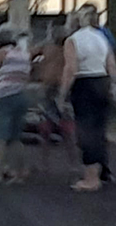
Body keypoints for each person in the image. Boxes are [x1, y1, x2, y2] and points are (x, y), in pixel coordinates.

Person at [59, 2, 116, 192]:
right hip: (102, 82)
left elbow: (71, 69)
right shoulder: (102, 38)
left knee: (85, 131)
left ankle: (90, 178)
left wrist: (62, 94)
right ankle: (101, 172)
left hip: (84, 85)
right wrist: (114, 85)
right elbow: (111, 64)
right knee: (99, 130)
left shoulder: (72, 40)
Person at [0, 26, 32, 184]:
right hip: (22, 95)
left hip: (6, 97)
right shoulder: (24, 54)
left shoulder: (3, 53)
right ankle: (20, 173)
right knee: (16, 138)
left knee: (0, 137)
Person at [32, 27, 79, 174]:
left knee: (67, 129)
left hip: (62, 90)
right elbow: (30, 54)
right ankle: (44, 163)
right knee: (45, 129)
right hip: (48, 90)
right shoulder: (47, 47)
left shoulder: (70, 50)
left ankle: (74, 164)